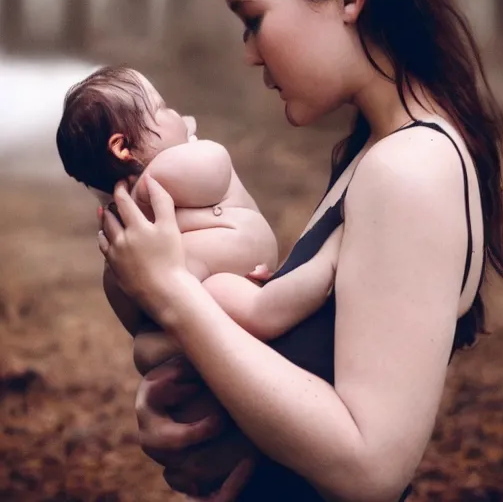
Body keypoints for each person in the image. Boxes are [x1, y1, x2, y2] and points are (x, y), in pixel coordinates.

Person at [98, 0, 503, 501]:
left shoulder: (410, 170)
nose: (249, 52)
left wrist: (173, 295)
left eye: (254, 18)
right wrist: (204, 426)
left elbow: (370, 469)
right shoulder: (375, 155)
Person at [57, 66, 336, 374]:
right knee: (147, 348)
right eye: (161, 108)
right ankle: (328, 266)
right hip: (201, 298)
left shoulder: (165, 177)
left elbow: (213, 171)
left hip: (211, 294)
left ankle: (207, 335)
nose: (177, 113)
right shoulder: (170, 171)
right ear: (123, 148)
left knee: (228, 303)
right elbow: (213, 163)